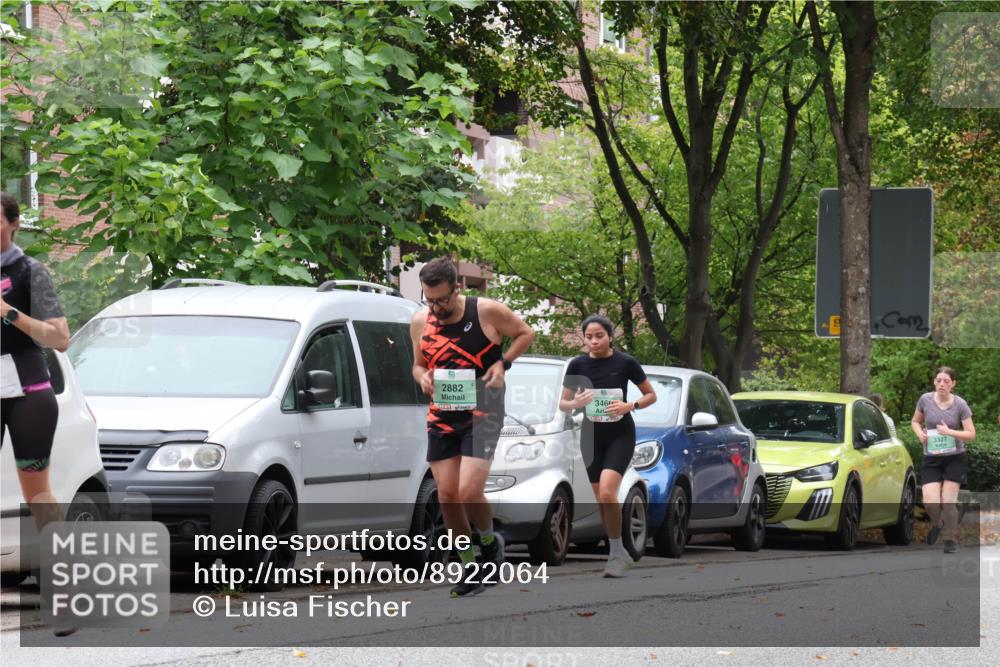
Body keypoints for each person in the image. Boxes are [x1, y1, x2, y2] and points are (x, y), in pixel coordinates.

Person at [409, 257, 534, 597]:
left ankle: (491, 546)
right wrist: (423, 378)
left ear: (457, 288)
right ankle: (468, 565)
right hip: (442, 415)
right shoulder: (421, 321)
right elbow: (418, 366)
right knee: (447, 497)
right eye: (429, 299)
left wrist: (503, 363)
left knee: (467, 491)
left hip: (484, 413)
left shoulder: (487, 312)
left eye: (442, 300)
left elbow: (525, 333)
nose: (435, 307)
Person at [559, 314, 656, 577]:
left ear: (610, 336)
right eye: (589, 337)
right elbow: (563, 404)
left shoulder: (625, 362)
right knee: (601, 500)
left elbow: (651, 395)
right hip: (591, 436)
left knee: (606, 493)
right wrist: (576, 404)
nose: (594, 341)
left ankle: (615, 553)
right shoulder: (578, 365)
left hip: (619, 434)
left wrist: (630, 405)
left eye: (599, 336)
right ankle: (620, 552)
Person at [911, 367, 976, 554]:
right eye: (939, 380)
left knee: (948, 501)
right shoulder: (925, 400)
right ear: (934, 381)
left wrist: (950, 432)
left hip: (955, 458)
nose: (942, 384)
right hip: (932, 458)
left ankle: (950, 539)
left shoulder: (960, 405)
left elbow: (971, 434)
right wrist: (920, 435)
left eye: (946, 381)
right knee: (930, 503)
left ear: (953, 384)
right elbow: (915, 421)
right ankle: (938, 523)